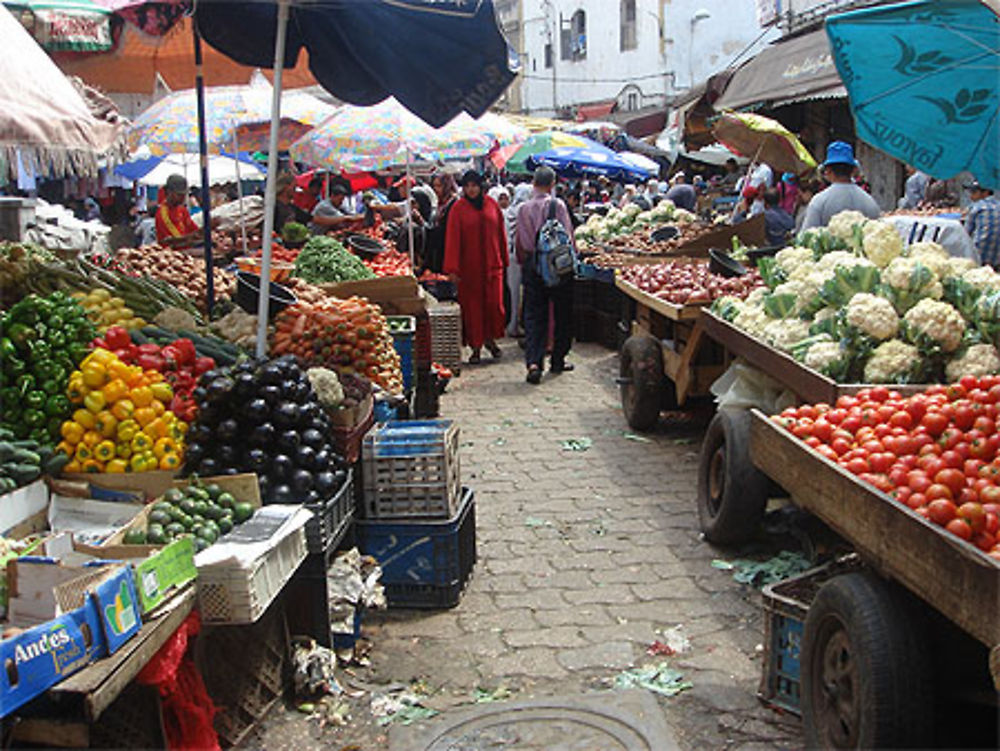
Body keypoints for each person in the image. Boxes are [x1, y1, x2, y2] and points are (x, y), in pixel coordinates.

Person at [515, 166, 576, 384]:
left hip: (533, 265)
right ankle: (557, 359)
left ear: (533, 183)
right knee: (562, 314)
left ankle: (534, 362)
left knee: (534, 315)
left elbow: (521, 242)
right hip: (557, 266)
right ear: (552, 184)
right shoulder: (557, 205)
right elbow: (567, 237)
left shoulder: (523, 209)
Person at [443, 171, 508, 364]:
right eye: (467, 186)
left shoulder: (492, 205)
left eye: (474, 185)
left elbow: (500, 233)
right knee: (472, 309)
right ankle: (476, 347)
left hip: (491, 266)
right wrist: (453, 269)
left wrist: (504, 259)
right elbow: (453, 239)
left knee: (494, 305)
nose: (471, 190)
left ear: (481, 187)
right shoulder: (458, 208)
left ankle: (491, 340)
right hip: (469, 269)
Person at [800, 142, 881, 230]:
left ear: (828, 170)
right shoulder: (869, 202)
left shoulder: (819, 201)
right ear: (854, 170)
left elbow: (807, 236)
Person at [424, 172, 458, 273]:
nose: (435, 189)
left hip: (448, 250)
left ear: (447, 186)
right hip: (439, 249)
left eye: (439, 186)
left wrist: (424, 225)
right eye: (434, 186)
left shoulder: (453, 204)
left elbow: (445, 228)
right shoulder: (441, 202)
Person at [155, 175, 201, 250]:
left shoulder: (182, 209)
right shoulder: (163, 213)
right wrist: (195, 236)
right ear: (168, 192)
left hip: (187, 251)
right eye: (179, 195)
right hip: (172, 255)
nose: (182, 198)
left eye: (184, 195)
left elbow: (193, 230)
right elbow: (174, 241)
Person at [964, 180, 1000, 267]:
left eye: (974, 192)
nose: (971, 196)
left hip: (979, 257)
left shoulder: (976, 207)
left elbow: (965, 234)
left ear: (985, 193)